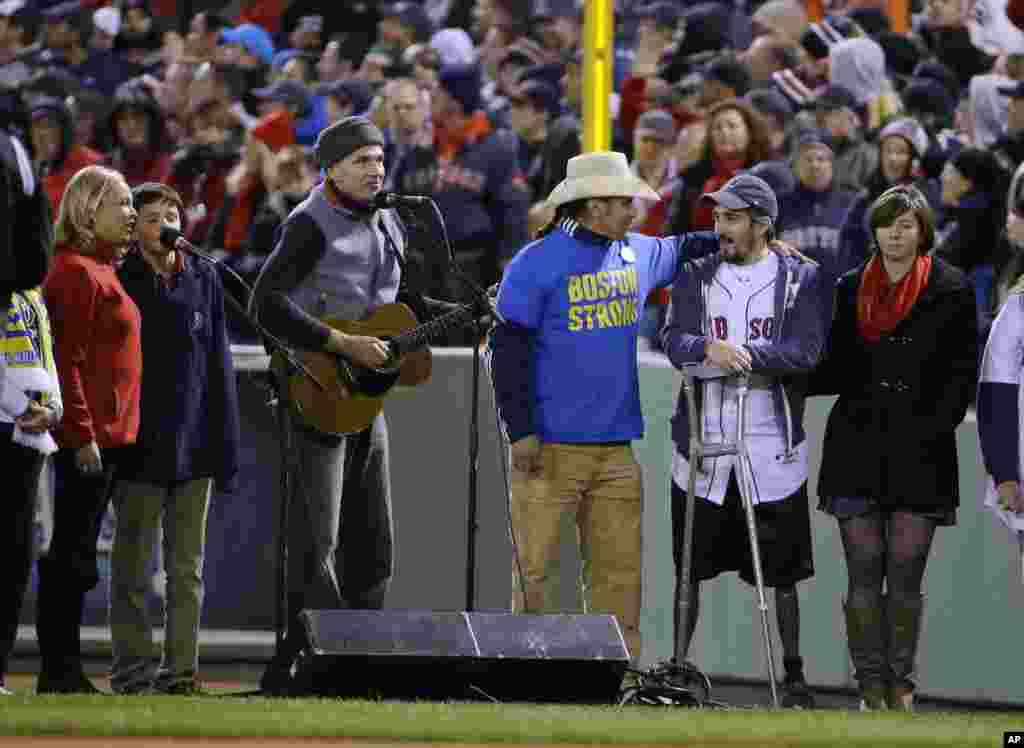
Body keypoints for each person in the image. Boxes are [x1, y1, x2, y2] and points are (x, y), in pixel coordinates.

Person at [488, 150, 724, 666]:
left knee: (619, 577)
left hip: (617, 449)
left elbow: (686, 247)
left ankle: (617, 677)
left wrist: (747, 235)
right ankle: (526, 677)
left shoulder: (637, 251)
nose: (633, 210)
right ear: (593, 206)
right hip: (549, 446)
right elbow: (505, 350)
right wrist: (520, 430)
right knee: (534, 572)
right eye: (623, 202)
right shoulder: (536, 261)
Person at [660, 173, 832, 708]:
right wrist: (707, 348)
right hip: (703, 446)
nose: (721, 227)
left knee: (782, 575)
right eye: (717, 217)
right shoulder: (696, 275)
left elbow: (807, 351)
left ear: (761, 222)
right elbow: (672, 340)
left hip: (770, 446)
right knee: (689, 567)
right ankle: (679, 668)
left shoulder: (802, 278)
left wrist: (746, 357)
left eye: (732, 218)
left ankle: (795, 675)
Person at [249, 116, 405, 695]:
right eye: (363, 159)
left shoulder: (391, 220)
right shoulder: (308, 224)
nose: (377, 169)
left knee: (374, 538)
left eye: (381, 158)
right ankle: (307, 664)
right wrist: (339, 343)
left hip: (365, 397)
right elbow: (265, 301)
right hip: (315, 391)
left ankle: (362, 658)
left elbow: (392, 301)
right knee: (317, 542)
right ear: (331, 168)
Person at [811, 184, 977, 711]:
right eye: (887, 224)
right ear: (874, 229)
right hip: (857, 443)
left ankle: (901, 685)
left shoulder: (952, 287)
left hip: (921, 448)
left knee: (905, 571)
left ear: (923, 230)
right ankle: (869, 687)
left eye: (906, 225)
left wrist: (935, 423)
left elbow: (961, 373)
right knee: (863, 570)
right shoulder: (848, 285)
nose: (896, 234)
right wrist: (780, 367)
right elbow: (832, 364)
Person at [108, 183, 240, 695]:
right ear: (134, 228)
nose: (165, 222)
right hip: (138, 446)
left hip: (194, 445)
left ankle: (180, 674)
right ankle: (133, 674)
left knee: (187, 572)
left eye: (172, 213)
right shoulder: (121, 279)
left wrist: (222, 445)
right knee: (135, 570)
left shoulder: (205, 277)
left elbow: (219, 367)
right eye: (152, 216)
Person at [38, 165, 141, 694]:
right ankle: (58, 670)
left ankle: (64, 668)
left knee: (77, 556)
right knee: (72, 556)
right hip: (90, 439)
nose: (132, 214)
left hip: (110, 435)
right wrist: (82, 436)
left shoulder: (100, 268)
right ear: (86, 209)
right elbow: (66, 361)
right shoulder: (76, 272)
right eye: (121, 203)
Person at [0, 118, 59, 696]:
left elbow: (39, 347)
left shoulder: (28, 297)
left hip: (19, 425)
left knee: (15, 547)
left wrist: (51, 406)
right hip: (15, 418)